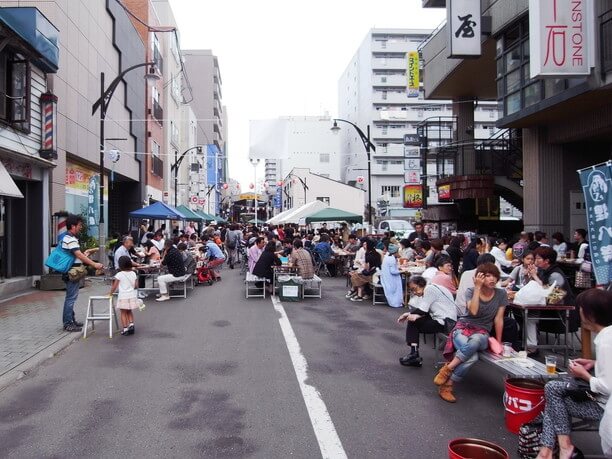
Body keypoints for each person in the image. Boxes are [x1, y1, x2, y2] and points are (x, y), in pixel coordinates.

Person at [536, 289, 612, 459]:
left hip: (603, 406)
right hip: (600, 400)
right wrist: (594, 363)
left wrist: (584, 374)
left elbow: (607, 387)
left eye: (581, 309)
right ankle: (553, 449)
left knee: (553, 400)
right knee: (553, 394)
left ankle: (557, 449)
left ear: (590, 314)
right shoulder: (608, 335)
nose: (579, 312)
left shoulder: (606, 342)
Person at [434, 263, 507, 403]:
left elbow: (499, 319)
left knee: (477, 340)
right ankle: (447, 386)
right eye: (487, 276)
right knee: (472, 357)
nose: (492, 279)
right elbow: (473, 311)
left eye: (494, 276)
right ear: (479, 278)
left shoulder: (501, 294)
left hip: (482, 332)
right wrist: (478, 288)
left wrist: (498, 341)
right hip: (463, 329)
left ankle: (447, 368)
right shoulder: (471, 291)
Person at [397, 276, 457, 367]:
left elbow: (423, 310)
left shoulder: (429, 289)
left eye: (414, 289)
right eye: (412, 290)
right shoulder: (431, 287)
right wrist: (412, 314)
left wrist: (407, 314)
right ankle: (414, 354)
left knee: (413, 321)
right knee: (413, 320)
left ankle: (414, 354)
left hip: (446, 322)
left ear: (421, 284)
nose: (414, 292)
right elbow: (423, 310)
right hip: (442, 319)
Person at [59, 214, 104, 332]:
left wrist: (85, 255)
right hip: (71, 273)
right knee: (71, 298)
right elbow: (78, 255)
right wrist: (94, 264)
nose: (81, 227)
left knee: (71, 297)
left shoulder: (69, 238)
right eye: (79, 225)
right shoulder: (70, 238)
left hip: (72, 272)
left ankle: (71, 320)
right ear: (73, 226)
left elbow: (76, 256)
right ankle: (68, 323)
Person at [110, 256, 139, 336]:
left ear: (120, 265)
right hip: (132, 295)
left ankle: (125, 329)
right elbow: (136, 285)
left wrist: (110, 293)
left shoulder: (119, 274)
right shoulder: (133, 273)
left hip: (123, 296)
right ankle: (131, 325)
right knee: (129, 311)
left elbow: (114, 286)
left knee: (123, 313)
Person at [380, 244, 403, 308]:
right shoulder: (392, 259)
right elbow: (393, 271)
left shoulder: (387, 257)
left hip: (386, 277)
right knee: (395, 291)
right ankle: (396, 303)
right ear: (395, 252)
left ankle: (395, 302)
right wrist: (402, 271)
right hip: (391, 279)